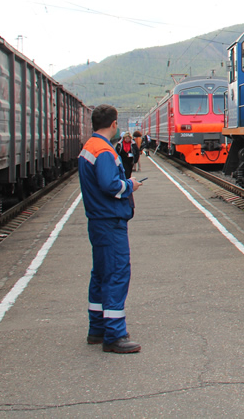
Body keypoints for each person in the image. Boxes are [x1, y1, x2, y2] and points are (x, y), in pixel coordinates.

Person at [78, 105, 142, 354]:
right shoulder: (104, 150)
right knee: (116, 274)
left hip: (97, 220)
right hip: (110, 221)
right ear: (114, 124)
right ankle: (114, 334)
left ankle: (97, 329)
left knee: (101, 274)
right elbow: (109, 184)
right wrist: (130, 185)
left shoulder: (88, 148)